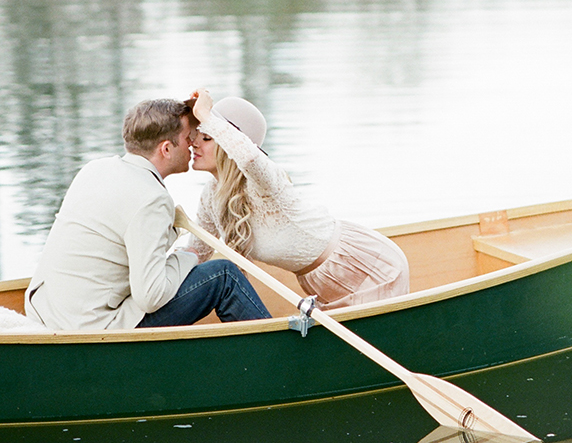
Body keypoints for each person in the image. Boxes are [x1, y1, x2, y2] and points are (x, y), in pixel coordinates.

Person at [25, 98, 270, 331]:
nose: (193, 142)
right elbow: (150, 296)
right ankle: (280, 354)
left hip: (45, 310)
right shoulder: (151, 198)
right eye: (188, 137)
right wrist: (187, 257)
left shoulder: (95, 168)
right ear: (166, 149)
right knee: (223, 274)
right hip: (93, 327)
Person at [188, 89, 410, 309]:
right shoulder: (211, 196)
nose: (194, 143)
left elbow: (248, 158)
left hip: (366, 266)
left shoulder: (265, 181)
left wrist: (207, 115)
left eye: (206, 137)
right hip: (322, 282)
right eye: (197, 135)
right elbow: (196, 253)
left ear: (229, 146)